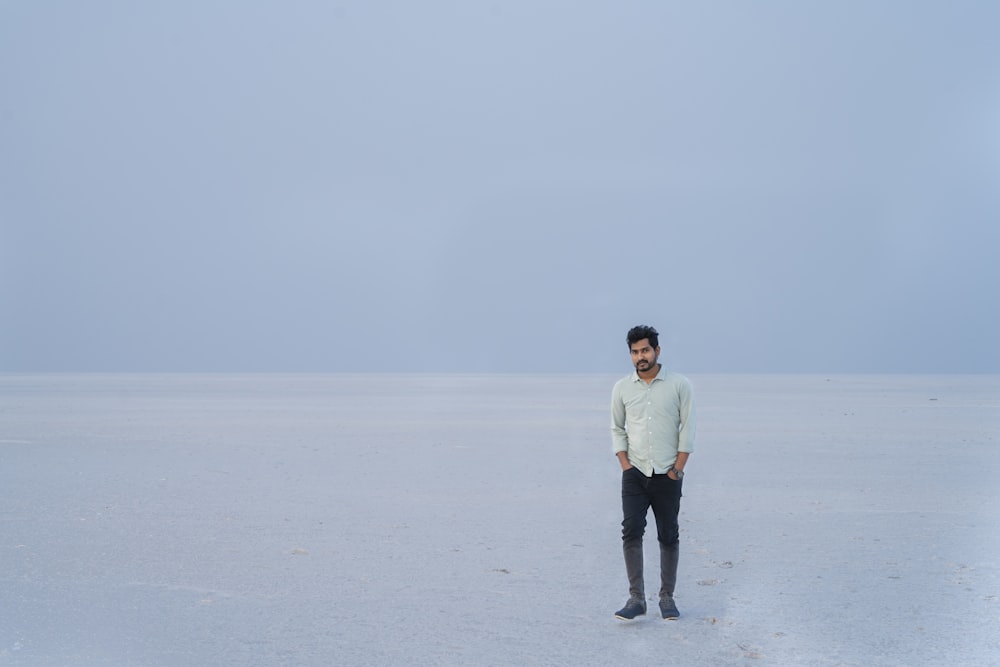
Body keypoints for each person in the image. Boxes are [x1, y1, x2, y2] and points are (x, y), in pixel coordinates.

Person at [611, 325, 696, 621]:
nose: (640, 357)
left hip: (667, 473)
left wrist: (678, 469)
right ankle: (636, 599)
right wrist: (624, 463)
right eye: (634, 352)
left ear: (657, 351)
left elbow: (688, 428)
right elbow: (617, 428)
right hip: (634, 473)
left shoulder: (679, 385)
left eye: (645, 350)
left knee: (668, 534)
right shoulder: (622, 388)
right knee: (631, 531)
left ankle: (667, 598)